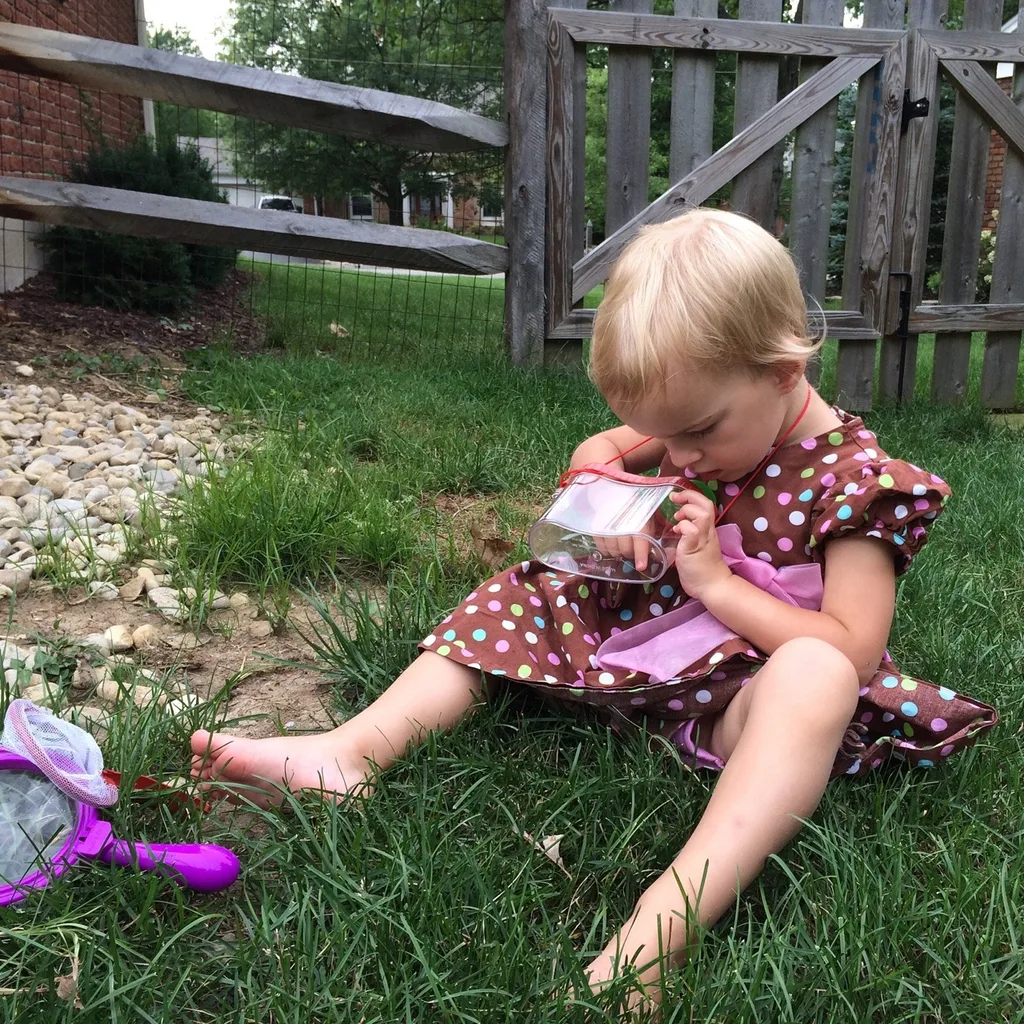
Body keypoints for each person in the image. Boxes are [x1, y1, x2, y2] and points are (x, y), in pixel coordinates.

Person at [190, 208, 997, 1008]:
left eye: (695, 434)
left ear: (783, 369)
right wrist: (605, 488)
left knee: (815, 676)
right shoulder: (703, 412)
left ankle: (664, 922)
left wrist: (718, 584)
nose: (677, 456)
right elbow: (602, 451)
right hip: (641, 652)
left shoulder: (858, 485)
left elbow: (853, 651)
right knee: (531, 587)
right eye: (663, 434)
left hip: (743, 700)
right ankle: (353, 750)